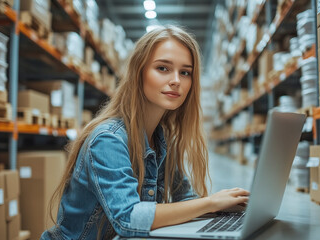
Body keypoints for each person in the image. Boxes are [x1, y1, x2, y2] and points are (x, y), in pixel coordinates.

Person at [40, 25, 249, 240]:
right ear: (138, 73)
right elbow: (129, 218)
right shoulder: (108, 139)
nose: (176, 80)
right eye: (163, 68)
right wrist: (210, 202)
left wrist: (232, 206)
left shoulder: (161, 139)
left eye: (185, 72)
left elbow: (185, 198)